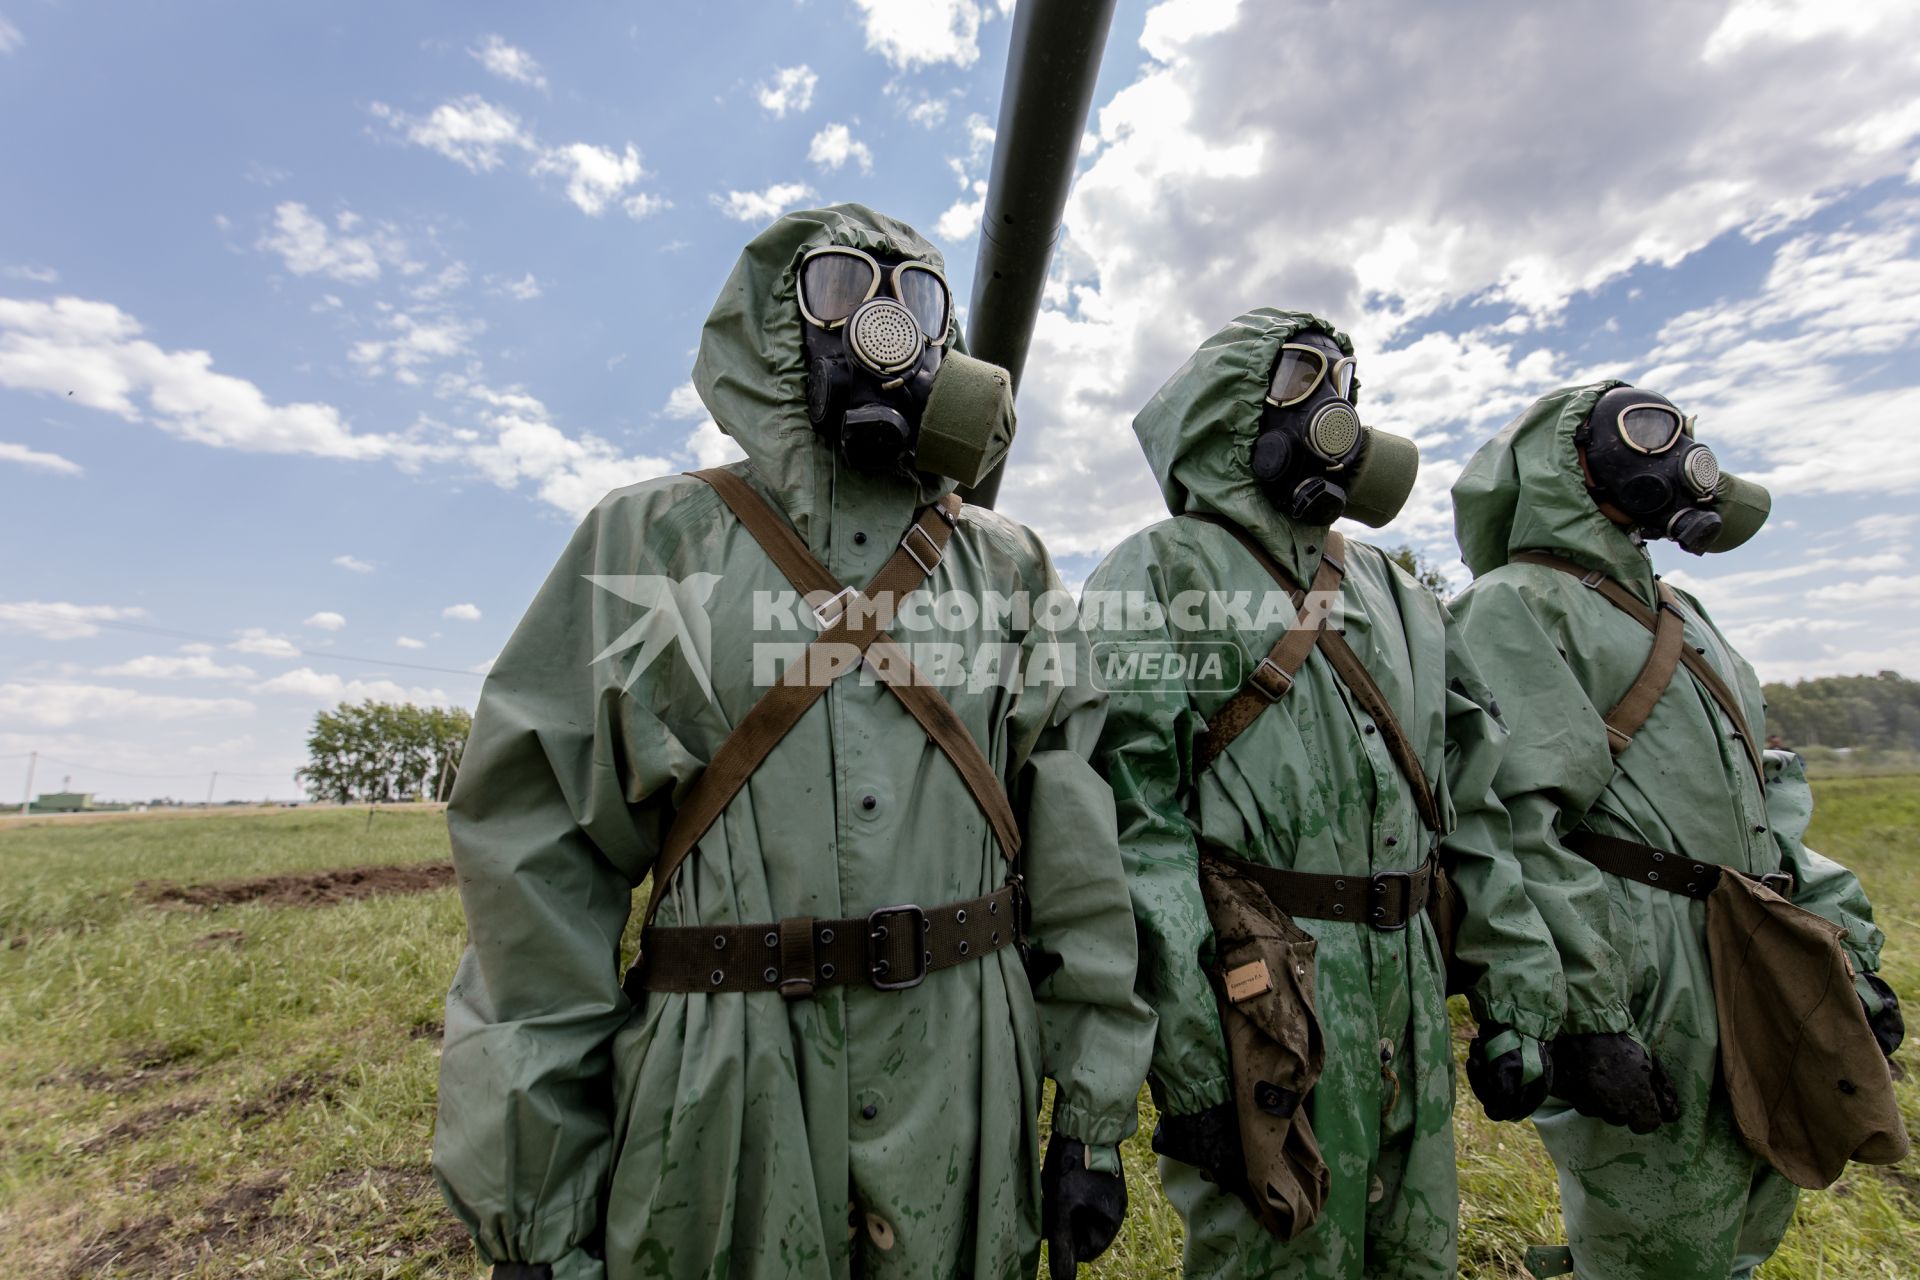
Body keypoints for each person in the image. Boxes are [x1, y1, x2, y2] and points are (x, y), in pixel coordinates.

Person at [432, 204, 1154, 1280]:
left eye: (916, 298)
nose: (880, 322)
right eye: (836, 287)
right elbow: (537, 867)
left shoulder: (1011, 571)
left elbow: (1079, 848)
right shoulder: (651, 543)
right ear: (775, 328)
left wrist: (1090, 1109)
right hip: (728, 1093)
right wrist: (533, 1192)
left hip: (962, 1077)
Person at [1083, 309, 1564, 1278]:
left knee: (1415, 1254)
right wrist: (1197, 1069)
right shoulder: (1159, 572)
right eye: (1303, 375)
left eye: (1347, 379)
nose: (1334, 401)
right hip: (1268, 1006)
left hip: (1408, 991)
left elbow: (1472, 802)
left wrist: (1516, 994)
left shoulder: (1398, 594)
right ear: (1229, 407)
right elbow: (1137, 832)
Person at [1448, 381, 1905, 1279]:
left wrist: (1844, 949)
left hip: (1753, 945)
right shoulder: (1515, 606)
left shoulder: (1689, 618)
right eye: (1642, 428)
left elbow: (1766, 807)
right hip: (1642, 968)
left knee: (1745, 1214)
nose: (1673, 446)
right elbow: (1511, 826)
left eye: (1679, 429)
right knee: (1653, 1243)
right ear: (1563, 462)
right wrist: (1585, 1017)